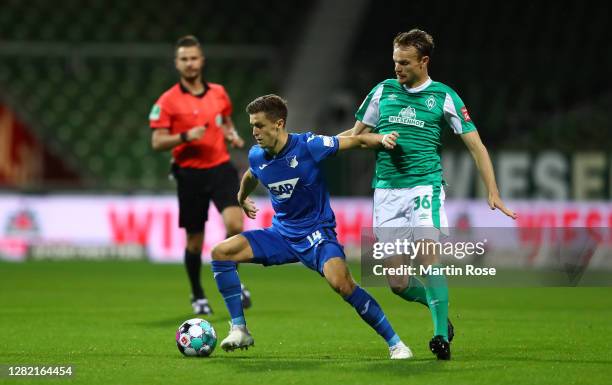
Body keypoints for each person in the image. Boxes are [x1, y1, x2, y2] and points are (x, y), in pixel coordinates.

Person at [346, 29, 517, 360]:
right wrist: (313, 144)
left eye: (404, 63)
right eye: (395, 61)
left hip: (425, 187)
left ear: (424, 61)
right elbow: (355, 137)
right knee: (397, 282)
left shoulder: (444, 97)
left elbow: (476, 146)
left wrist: (493, 191)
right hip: (386, 192)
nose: (397, 68)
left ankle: (440, 337)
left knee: (427, 256)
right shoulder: (382, 92)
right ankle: (437, 304)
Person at [210, 94, 413, 359]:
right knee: (221, 252)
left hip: (317, 234)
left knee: (343, 284)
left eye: (259, 125)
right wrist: (240, 197)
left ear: (279, 124)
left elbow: (356, 140)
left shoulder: (308, 145)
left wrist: (380, 139)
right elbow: (251, 174)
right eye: (252, 126)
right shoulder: (257, 155)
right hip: (281, 234)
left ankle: (396, 343)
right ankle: (239, 329)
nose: (255, 132)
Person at [149, 35, 252, 315]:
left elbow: (225, 120)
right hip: (190, 175)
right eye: (184, 59)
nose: (190, 63)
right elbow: (157, 142)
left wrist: (231, 134)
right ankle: (197, 294)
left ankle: (235, 282)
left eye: (194, 58)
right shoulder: (168, 101)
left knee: (235, 226)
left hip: (220, 167)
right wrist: (184, 136)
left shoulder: (218, 92)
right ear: (177, 63)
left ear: (201, 60)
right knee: (195, 241)